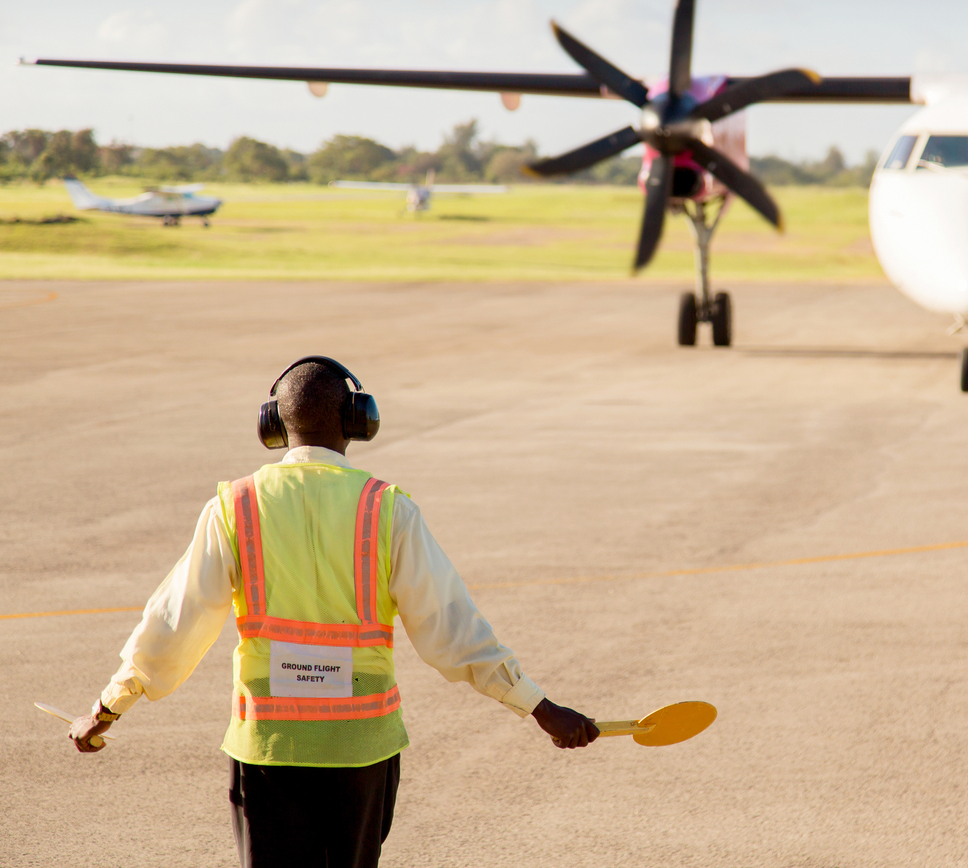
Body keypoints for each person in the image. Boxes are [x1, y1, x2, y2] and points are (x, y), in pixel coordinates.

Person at [68, 355, 599, 868]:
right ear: (356, 421)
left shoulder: (236, 507)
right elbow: (453, 630)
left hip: (269, 752)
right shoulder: (386, 509)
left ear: (273, 424)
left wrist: (109, 704)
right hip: (362, 754)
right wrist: (539, 706)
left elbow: (172, 624)